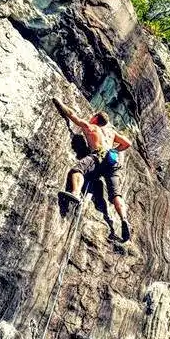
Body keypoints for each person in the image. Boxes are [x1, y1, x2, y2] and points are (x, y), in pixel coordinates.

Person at [54, 97, 132, 242]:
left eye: (93, 116)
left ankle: (76, 193)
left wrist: (59, 102)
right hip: (112, 164)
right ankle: (124, 219)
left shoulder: (92, 127)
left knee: (77, 170)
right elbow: (127, 143)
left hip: (98, 157)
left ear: (95, 118)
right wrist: (113, 150)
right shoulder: (111, 134)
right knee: (116, 193)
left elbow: (71, 115)